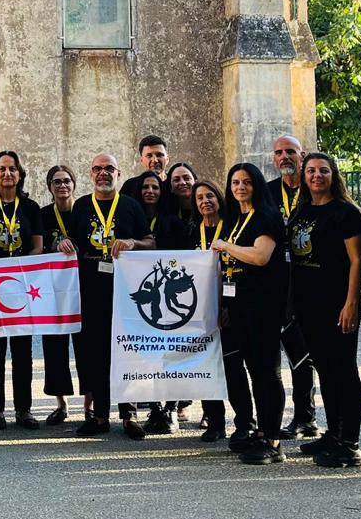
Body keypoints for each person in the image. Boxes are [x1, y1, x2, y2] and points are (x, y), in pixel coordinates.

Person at [287, 153, 361, 468]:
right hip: (308, 304)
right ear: (303, 176)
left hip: (337, 303)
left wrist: (351, 303)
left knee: (343, 370)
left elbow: (356, 261)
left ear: (334, 175)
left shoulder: (346, 212)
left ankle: (350, 444)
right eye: (311, 171)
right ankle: (334, 433)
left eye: (323, 170)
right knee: (325, 370)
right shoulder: (302, 210)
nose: (316, 176)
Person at [67, 153, 153, 438]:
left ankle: (130, 415)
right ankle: (100, 416)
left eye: (109, 169)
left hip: (126, 293)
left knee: (127, 352)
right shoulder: (81, 206)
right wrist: (63, 242)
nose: (103, 173)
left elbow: (151, 241)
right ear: (91, 174)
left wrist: (132, 242)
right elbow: (72, 241)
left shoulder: (130, 205)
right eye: (98, 169)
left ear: (118, 174)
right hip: (91, 293)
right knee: (97, 355)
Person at [210, 162, 289, 465]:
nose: (240, 187)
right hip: (239, 304)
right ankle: (261, 431)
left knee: (267, 371)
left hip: (263, 304)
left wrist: (226, 246)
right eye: (235, 183)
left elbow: (260, 256)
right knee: (254, 370)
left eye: (246, 182)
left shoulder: (266, 216)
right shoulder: (235, 218)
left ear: (256, 185)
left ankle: (273, 441)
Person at [0, 149, 44, 429]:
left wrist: (21, 267)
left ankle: (24, 409)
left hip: (22, 287)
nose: (7, 173)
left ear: (20, 173)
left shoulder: (30, 208)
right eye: (2, 169)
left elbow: (37, 247)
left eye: (12, 168)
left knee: (23, 351)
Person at [263, 133, 318, 441]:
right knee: (276, 353)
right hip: (275, 280)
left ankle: (305, 417)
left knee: (303, 353)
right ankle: (280, 417)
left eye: (290, 151)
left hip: (309, 277)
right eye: (279, 152)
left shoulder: (314, 188)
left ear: (302, 155)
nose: (284, 157)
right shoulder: (268, 192)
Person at [133, 168, 189, 434]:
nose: (150, 191)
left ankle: (172, 408)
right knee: (149, 354)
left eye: (155, 187)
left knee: (172, 353)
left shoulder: (172, 221)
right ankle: (155, 407)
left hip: (169, 294)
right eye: (145, 187)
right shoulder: (133, 219)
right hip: (144, 294)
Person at [190, 180, 237, 442]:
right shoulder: (191, 231)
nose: (205, 201)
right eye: (199, 198)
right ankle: (215, 422)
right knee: (205, 366)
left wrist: (227, 306)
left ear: (219, 198)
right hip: (199, 310)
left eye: (210, 196)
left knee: (232, 367)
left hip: (229, 307)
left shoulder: (232, 228)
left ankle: (245, 422)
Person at [39, 164, 86, 424]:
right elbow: (37, 248)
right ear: (50, 187)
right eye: (56, 182)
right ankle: (61, 404)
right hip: (53, 289)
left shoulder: (85, 210)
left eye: (67, 180)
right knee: (55, 347)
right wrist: (54, 246)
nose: (62, 185)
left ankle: (89, 405)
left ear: (74, 184)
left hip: (83, 287)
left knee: (86, 346)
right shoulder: (43, 215)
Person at [119, 135, 169, 201]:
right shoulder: (130, 186)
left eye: (159, 155)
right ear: (141, 160)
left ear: (167, 159)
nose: (155, 160)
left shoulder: (175, 185)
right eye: (149, 156)